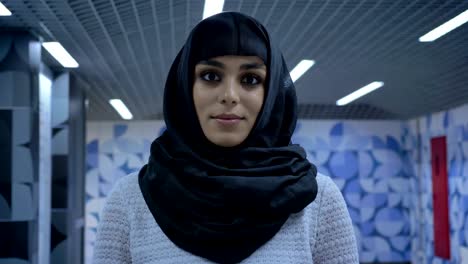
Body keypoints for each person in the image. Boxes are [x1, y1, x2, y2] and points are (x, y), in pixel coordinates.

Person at [93, 12, 358, 264]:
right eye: (210, 76)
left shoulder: (318, 200)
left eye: (251, 79)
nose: (229, 95)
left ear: (272, 93)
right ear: (185, 86)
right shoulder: (130, 200)